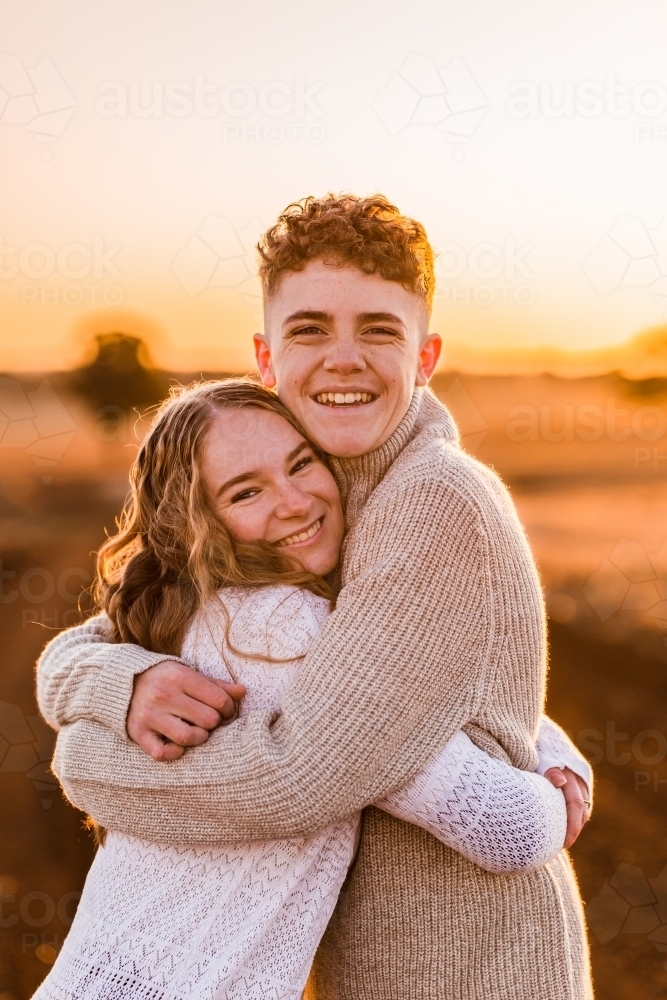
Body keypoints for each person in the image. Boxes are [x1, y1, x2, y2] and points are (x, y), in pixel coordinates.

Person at [38, 194, 594, 999]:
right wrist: (116, 681)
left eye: (377, 329)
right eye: (310, 330)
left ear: (425, 356)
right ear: (265, 360)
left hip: (466, 970)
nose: (342, 359)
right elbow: (399, 674)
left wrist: (90, 762)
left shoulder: (429, 498)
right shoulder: (327, 487)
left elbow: (301, 775)